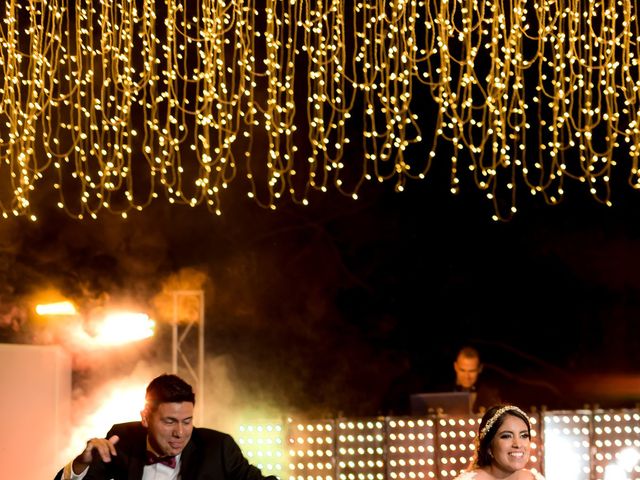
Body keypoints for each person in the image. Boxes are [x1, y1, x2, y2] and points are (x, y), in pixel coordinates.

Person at [54, 373, 279, 480]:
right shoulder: (121, 441)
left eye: (187, 421)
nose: (180, 432)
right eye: (169, 421)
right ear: (145, 418)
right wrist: (81, 464)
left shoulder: (217, 448)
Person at [454, 404, 545, 480]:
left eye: (524, 436)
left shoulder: (535, 478)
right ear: (489, 446)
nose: (518, 444)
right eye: (506, 436)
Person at [451, 346, 501, 413]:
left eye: (472, 371)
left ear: (480, 368)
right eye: (462, 370)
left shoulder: (490, 395)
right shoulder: (441, 390)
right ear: (455, 367)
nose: (467, 376)